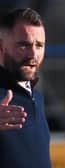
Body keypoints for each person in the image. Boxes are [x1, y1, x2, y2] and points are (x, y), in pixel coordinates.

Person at [0, 8, 51, 168]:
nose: (33, 54)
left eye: (39, 45)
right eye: (24, 45)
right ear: (1, 47)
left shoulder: (37, 97)